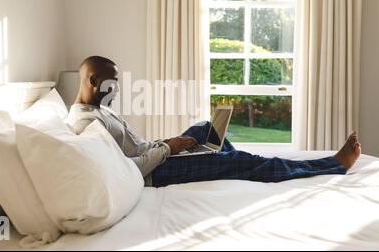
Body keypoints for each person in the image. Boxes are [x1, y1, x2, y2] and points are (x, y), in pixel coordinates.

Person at [66, 56, 362, 188]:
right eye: (112, 83)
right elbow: (128, 170)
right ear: (93, 80)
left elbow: (135, 148)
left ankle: (222, 158)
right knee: (243, 160)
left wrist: (166, 144)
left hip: (159, 155)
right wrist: (169, 148)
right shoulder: (86, 124)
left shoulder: (99, 109)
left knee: (207, 128)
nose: (117, 88)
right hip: (157, 173)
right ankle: (332, 165)